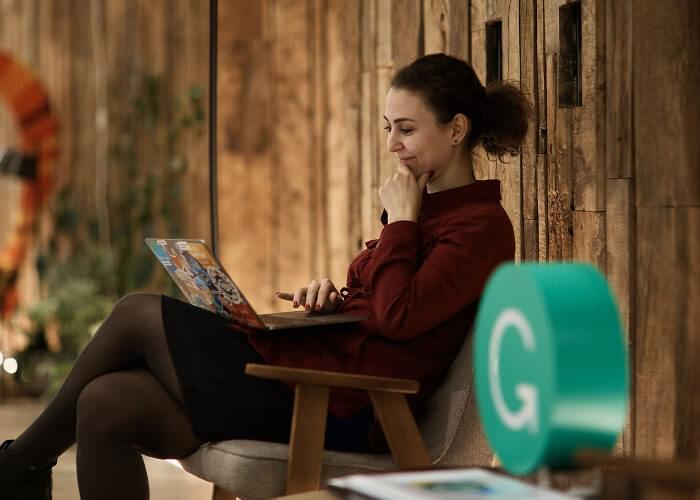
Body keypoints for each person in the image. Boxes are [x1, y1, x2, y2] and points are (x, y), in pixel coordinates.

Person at [0, 53, 530, 500]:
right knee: (106, 402)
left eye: (407, 128)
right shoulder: (425, 210)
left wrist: (404, 222)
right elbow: (383, 308)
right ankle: (20, 468)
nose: (393, 143)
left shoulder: (479, 227)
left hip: (349, 405)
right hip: (312, 376)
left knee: (138, 312)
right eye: (389, 128)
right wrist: (334, 302)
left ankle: (18, 466)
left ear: (456, 129)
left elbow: (400, 316)